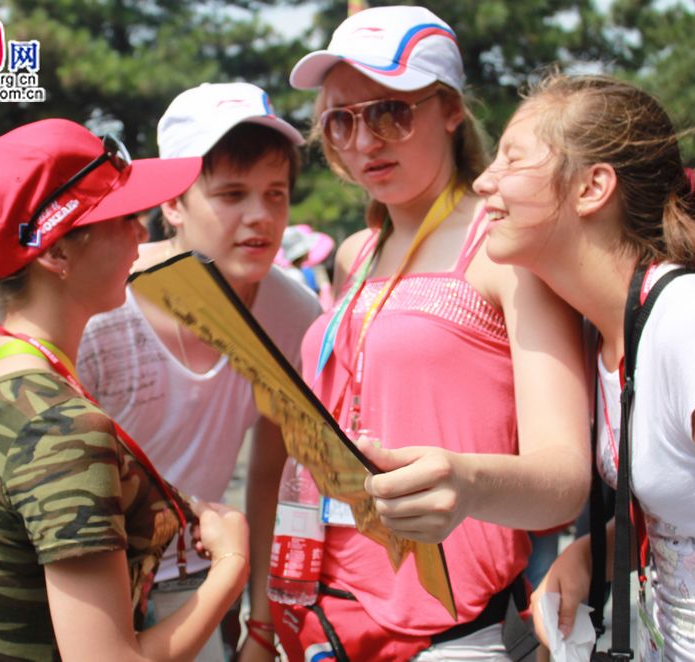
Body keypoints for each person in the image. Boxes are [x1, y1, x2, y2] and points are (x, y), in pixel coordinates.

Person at [271, 6, 591, 659]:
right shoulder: (354, 254)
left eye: (392, 112)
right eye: (340, 119)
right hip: (322, 616)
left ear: (450, 109)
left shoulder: (502, 248)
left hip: (444, 632)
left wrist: (465, 482)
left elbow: (565, 479)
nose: (364, 142)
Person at [473, 73, 695, 660]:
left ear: (592, 187)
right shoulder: (615, 331)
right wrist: (590, 554)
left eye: (511, 158)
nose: (484, 181)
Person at [0, 119, 250, 661]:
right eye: (125, 216)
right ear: (54, 253)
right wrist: (231, 569)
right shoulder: (58, 425)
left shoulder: (3, 363)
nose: (142, 231)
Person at [76, 82, 320, 662]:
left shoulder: (294, 314)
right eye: (232, 194)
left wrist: (261, 623)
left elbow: (270, 475)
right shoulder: (104, 310)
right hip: (84, 588)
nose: (260, 217)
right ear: (172, 204)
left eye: (276, 193)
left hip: (201, 588)